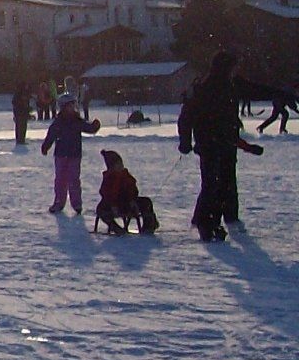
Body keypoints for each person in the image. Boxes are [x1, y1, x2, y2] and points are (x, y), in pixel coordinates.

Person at [179, 50, 264, 241]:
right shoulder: (204, 87)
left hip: (227, 143)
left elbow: (258, 89)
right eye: (234, 67)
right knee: (212, 184)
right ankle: (206, 223)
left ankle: (227, 218)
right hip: (209, 143)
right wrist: (185, 141)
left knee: (227, 182)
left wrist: (286, 94)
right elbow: (187, 116)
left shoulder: (231, 85)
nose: (236, 70)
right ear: (225, 67)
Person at [40, 91, 102, 214]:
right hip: (61, 155)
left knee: (74, 180)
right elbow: (51, 135)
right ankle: (59, 202)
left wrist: (95, 126)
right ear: (63, 107)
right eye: (70, 106)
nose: (73, 108)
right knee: (60, 180)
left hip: (74, 155)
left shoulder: (77, 121)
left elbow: (88, 128)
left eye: (74, 106)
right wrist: (46, 146)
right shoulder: (58, 122)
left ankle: (77, 204)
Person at [93, 149, 158, 235]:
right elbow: (106, 194)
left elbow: (133, 189)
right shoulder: (109, 177)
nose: (120, 166)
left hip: (127, 204)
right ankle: (115, 227)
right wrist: (113, 205)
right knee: (101, 210)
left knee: (146, 202)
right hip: (114, 205)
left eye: (121, 164)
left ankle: (149, 225)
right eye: (118, 165)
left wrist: (132, 200)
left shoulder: (126, 176)